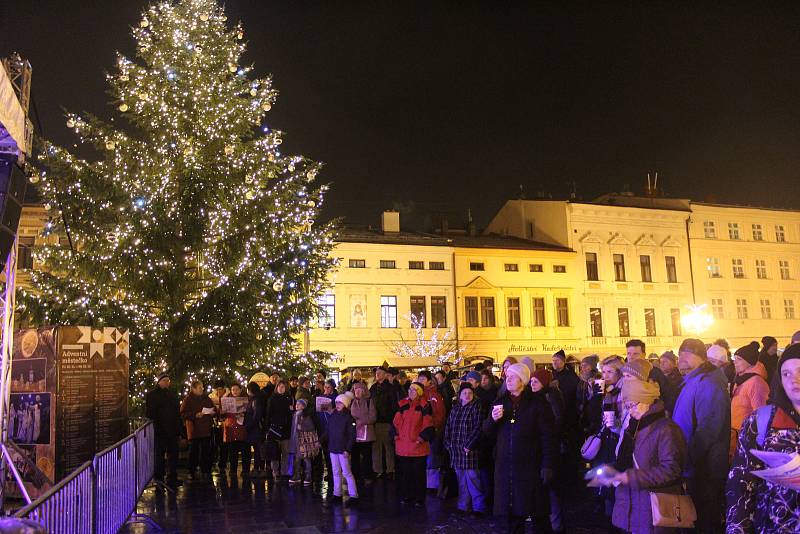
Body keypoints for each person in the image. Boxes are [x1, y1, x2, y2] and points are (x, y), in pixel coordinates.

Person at [726, 343, 800, 532]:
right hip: (774, 525)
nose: (794, 380)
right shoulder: (761, 421)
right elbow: (741, 482)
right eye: (786, 373)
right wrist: (738, 528)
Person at [609, 372, 688, 534]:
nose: (630, 411)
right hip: (634, 505)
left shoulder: (666, 429)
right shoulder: (635, 426)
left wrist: (631, 477)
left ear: (647, 401)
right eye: (627, 406)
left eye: (632, 405)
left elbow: (671, 470)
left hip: (654, 509)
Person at [484, 362, 557, 534]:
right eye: (507, 376)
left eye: (512, 377)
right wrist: (492, 420)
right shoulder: (500, 402)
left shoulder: (537, 403)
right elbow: (486, 432)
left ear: (522, 380)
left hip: (530, 466)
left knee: (536, 511)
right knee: (511, 514)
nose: (507, 380)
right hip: (506, 467)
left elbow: (548, 436)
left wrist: (547, 464)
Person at [673, 338, 730, 534]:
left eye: (688, 354)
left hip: (704, 469)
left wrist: (688, 458)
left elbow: (708, 429)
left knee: (704, 521)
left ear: (702, 358)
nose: (681, 359)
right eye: (680, 354)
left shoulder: (709, 383)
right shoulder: (692, 381)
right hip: (694, 466)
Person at [531, 368, 565, 534]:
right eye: (531, 381)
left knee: (551, 489)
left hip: (551, 449)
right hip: (542, 449)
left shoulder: (549, 397)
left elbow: (556, 424)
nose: (532, 384)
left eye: (535, 382)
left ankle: (556, 524)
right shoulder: (536, 397)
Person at [443, 382, 486, 515]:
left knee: (473, 479)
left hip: (469, 451)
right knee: (461, 481)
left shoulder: (476, 407)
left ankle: (478, 507)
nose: (467, 395)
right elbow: (448, 427)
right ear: (460, 395)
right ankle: (463, 506)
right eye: (465, 393)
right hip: (456, 450)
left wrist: (469, 445)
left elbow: (478, 427)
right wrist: (448, 444)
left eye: (470, 393)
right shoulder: (455, 409)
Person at [393, 382, 435, 506]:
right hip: (404, 445)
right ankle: (407, 496)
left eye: (414, 390)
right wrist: (395, 434)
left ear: (419, 392)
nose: (411, 392)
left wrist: (421, 438)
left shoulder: (425, 406)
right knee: (406, 474)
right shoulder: (402, 405)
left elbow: (428, 424)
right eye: (410, 389)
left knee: (418, 474)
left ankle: (419, 498)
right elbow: (395, 422)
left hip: (417, 447)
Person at [729, 341, 770, 460]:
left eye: (739, 359)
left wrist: (756, 443)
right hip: (737, 436)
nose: (735, 362)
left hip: (747, 439)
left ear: (749, 362)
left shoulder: (756, 382)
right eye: (734, 358)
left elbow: (761, 414)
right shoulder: (741, 379)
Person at [146, 372, 182, 489]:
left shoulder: (172, 395)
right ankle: (159, 478)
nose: (167, 383)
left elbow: (177, 413)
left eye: (168, 381)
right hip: (160, 430)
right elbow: (151, 413)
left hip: (172, 430)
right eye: (164, 380)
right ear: (159, 381)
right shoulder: (152, 395)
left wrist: (178, 429)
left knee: (173, 455)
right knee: (159, 455)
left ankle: (172, 477)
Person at [327, 392, 358, 504]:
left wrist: (348, 449)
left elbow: (352, 435)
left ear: (345, 404)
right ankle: (337, 494)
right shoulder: (333, 416)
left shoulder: (349, 418)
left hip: (343, 449)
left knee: (346, 472)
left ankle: (353, 495)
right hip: (333, 447)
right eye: (337, 402)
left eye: (340, 402)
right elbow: (328, 431)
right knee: (335, 471)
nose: (338, 404)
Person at [417, 370, 446, 490]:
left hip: (431, 431)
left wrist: (434, 426)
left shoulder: (434, 395)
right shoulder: (416, 394)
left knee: (432, 457)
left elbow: (440, 413)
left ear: (429, 381)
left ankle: (431, 484)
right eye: (420, 379)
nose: (421, 381)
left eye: (423, 379)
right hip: (418, 432)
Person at [180, 380, 215, 480]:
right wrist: (195, 415)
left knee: (206, 451)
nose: (202, 389)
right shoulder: (188, 400)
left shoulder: (206, 398)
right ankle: (191, 470)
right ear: (194, 389)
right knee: (193, 452)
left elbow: (213, 408)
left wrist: (213, 412)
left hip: (206, 429)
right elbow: (183, 414)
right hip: (194, 429)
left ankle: (206, 470)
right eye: (200, 388)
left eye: (202, 387)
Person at [370, 367, 398, 479]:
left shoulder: (391, 388)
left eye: (380, 373)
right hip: (375, 421)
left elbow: (393, 404)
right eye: (376, 373)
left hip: (386, 420)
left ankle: (390, 470)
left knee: (388, 446)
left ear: (385, 374)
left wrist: (392, 419)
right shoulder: (373, 388)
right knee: (376, 447)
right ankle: (378, 469)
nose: (377, 374)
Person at [288, 398, 320, 485]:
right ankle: (297, 475)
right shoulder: (295, 414)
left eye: (299, 404)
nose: (296, 405)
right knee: (297, 459)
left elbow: (311, 427)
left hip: (303, 441)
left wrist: (301, 427)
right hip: (296, 440)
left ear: (303, 406)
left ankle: (308, 476)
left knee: (306, 458)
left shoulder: (305, 416)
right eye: (296, 404)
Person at [350, 381, 377, 484]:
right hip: (354, 434)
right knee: (355, 456)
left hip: (367, 435)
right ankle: (356, 476)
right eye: (355, 389)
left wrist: (362, 421)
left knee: (367, 457)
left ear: (364, 391)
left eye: (359, 389)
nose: (357, 391)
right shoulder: (351, 402)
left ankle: (367, 476)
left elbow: (373, 417)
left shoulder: (369, 402)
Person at [265, 380, 293, 480]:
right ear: (277, 387)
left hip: (286, 429)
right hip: (275, 429)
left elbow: (290, 414)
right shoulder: (272, 399)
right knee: (275, 452)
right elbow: (268, 414)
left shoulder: (289, 398)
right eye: (280, 386)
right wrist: (267, 428)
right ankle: (275, 471)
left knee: (285, 452)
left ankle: (284, 472)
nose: (281, 388)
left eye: (283, 387)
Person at [222, 383, 250, 477]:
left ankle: (245, 469)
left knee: (245, 450)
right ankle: (233, 470)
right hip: (231, 428)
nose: (235, 391)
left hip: (242, 428)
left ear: (240, 390)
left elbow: (250, 412)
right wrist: (222, 411)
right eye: (233, 389)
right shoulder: (226, 400)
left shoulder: (245, 399)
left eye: (236, 389)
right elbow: (222, 415)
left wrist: (244, 414)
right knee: (232, 452)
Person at [316, 379, 339, 481]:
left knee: (332, 452)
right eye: (325, 387)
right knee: (325, 451)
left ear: (333, 388)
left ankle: (335, 473)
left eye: (328, 387)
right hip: (322, 426)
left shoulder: (336, 398)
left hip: (332, 427)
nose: (326, 389)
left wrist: (332, 410)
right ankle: (330, 472)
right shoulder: (321, 397)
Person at [244, 382, 265, 477]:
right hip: (255, 428)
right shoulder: (256, 399)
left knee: (257, 449)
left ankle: (257, 469)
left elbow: (257, 415)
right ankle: (258, 468)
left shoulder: (255, 400)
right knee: (257, 449)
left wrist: (249, 425)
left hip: (255, 429)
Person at [209, 379, 229, 473]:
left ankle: (222, 463)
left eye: (220, 389)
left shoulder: (228, 397)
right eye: (216, 389)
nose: (218, 391)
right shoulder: (211, 397)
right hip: (214, 424)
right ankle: (212, 462)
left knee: (224, 445)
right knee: (214, 444)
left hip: (226, 424)